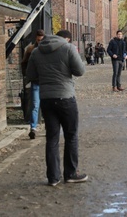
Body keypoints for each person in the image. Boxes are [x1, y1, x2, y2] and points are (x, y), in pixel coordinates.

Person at [25, 29, 87, 186]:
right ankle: (71, 173)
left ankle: (53, 177)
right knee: (71, 136)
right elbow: (80, 71)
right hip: (66, 97)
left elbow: (30, 75)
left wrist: (46, 78)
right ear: (64, 38)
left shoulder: (37, 52)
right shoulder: (68, 48)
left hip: (46, 98)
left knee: (52, 138)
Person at [21, 29, 44, 140]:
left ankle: (47, 127)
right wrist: (27, 75)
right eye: (39, 39)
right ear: (36, 38)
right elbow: (24, 63)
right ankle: (33, 128)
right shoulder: (31, 49)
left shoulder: (47, 50)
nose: (40, 41)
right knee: (35, 105)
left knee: (45, 106)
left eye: (42, 39)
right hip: (36, 81)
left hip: (45, 82)